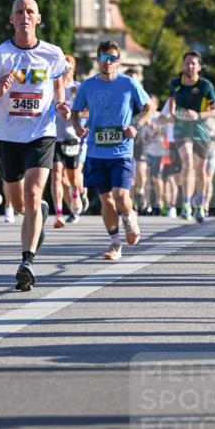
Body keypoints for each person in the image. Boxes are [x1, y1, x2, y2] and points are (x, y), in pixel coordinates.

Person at [0, 0, 70, 291]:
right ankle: (38, 212)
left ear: (38, 19)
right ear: (12, 19)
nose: (24, 16)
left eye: (30, 12)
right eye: (19, 12)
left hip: (41, 133)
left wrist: (61, 104)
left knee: (33, 192)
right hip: (7, 137)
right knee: (18, 203)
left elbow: (58, 82)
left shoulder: (53, 54)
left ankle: (27, 262)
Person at [71, 40, 152, 262]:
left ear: (118, 61)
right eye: (104, 58)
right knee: (106, 200)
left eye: (112, 58)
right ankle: (115, 243)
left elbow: (149, 107)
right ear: (98, 60)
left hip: (122, 152)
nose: (108, 62)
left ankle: (129, 215)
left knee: (120, 196)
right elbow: (75, 111)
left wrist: (136, 126)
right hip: (96, 152)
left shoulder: (129, 84)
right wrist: (77, 126)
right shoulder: (87, 86)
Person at [169, 51, 215, 223]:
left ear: (199, 67)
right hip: (181, 129)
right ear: (183, 65)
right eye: (187, 63)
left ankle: (200, 204)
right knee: (188, 162)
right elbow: (171, 101)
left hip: (200, 130)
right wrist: (172, 113)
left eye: (193, 63)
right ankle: (186, 204)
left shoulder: (206, 86)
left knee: (201, 171)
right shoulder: (175, 83)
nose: (190, 66)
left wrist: (198, 115)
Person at [51, 55, 83, 227]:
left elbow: (89, 111)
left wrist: (74, 113)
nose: (65, 71)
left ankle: (76, 193)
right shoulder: (52, 87)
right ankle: (58, 214)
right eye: (62, 68)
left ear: (73, 69)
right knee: (56, 174)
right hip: (53, 137)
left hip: (72, 138)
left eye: (68, 68)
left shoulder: (78, 88)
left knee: (72, 177)